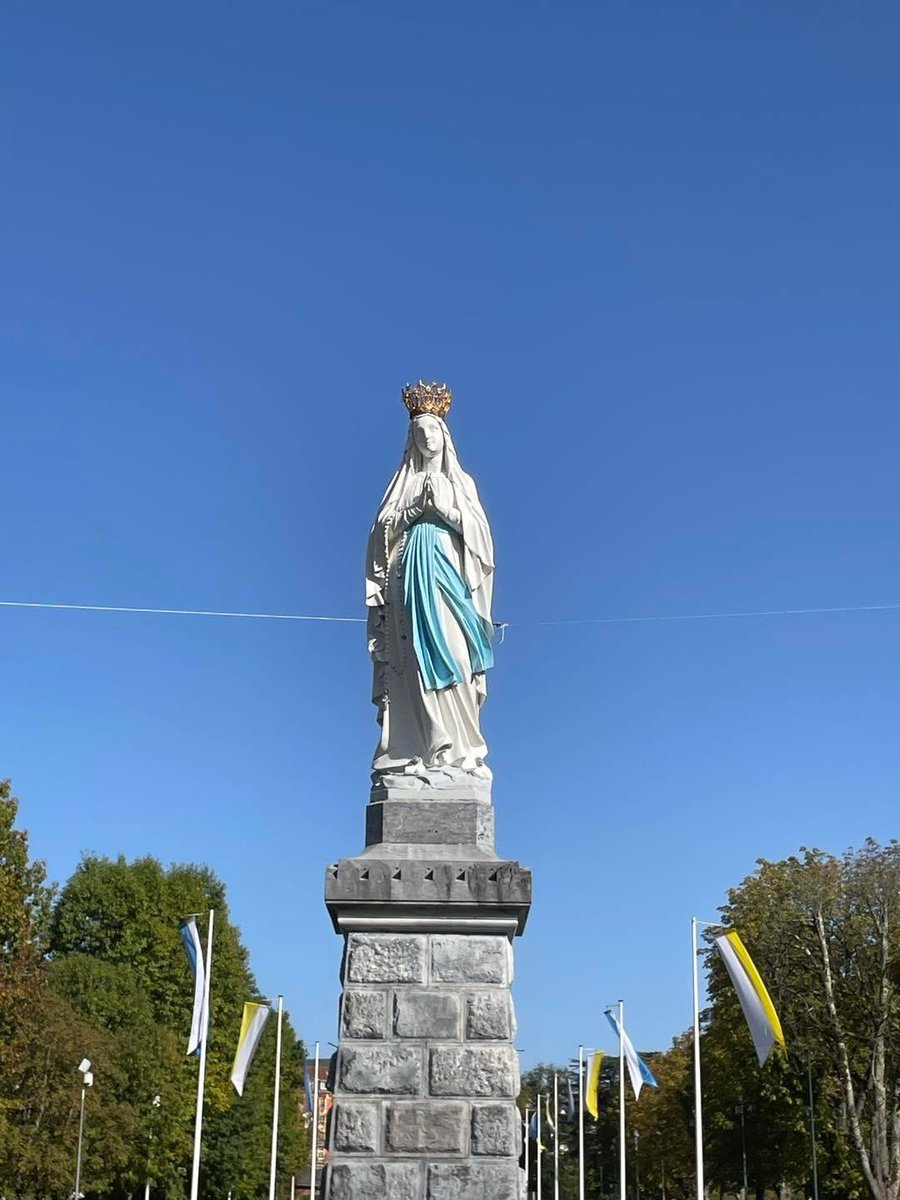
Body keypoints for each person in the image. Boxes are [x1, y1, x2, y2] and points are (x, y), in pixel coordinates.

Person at [365, 383, 494, 785]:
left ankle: (458, 752)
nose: (426, 437)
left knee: (455, 654)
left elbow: (481, 540)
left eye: (433, 430)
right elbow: (379, 535)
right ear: (412, 441)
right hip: (408, 575)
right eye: (419, 433)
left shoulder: (462, 483)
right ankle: (418, 748)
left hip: (449, 573)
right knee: (414, 661)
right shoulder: (400, 484)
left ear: (445, 436)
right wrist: (411, 512)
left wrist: (444, 510)